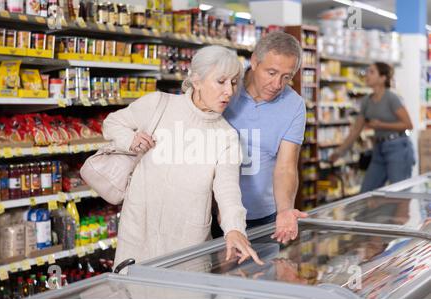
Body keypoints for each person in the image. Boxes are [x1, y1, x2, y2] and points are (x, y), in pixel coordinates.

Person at [102, 46, 263, 270]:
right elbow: (112, 123)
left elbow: (228, 191)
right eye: (221, 81)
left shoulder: (226, 136)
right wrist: (130, 139)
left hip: (187, 246)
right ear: (196, 80)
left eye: (234, 83)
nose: (229, 91)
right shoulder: (158, 105)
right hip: (138, 237)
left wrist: (234, 229)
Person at [221, 31, 308, 245]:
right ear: (254, 61)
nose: (278, 84)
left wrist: (285, 209)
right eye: (271, 72)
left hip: (264, 217)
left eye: (286, 77)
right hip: (216, 214)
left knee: (263, 275)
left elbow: (286, 167)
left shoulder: (295, 106)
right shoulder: (225, 88)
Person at [330, 62, 415, 192]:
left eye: (371, 72)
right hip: (378, 149)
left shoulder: (392, 98)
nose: (366, 75)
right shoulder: (366, 101)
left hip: (398, 148)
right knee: (366, 193)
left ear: (383, 78)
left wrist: (381, 125)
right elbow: (355, 131)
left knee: (400, 194)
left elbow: (408, 125)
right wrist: (339, 151)